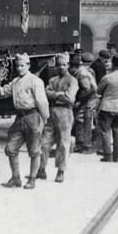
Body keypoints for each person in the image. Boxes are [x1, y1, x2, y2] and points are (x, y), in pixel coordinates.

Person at [0, 53, 48, 189]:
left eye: (22, 65)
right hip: (20, 118)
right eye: (17, 66)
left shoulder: (35, 81)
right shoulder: (15, 82)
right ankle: (16, 178)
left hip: (33, 116)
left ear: (28, 65)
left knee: (34, 150)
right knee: (11, 148)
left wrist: (44, 119)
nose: (20, 68)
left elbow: (42, 102)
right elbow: (3, 93)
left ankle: (32, 179)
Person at [37, 53, 77, 182]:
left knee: (63, 143)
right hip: (51, 112)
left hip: (65, 113)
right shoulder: (52, 80)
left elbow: (70, 98)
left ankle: (61, 171)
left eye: (64, 65)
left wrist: (54, 94)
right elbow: (45, 93)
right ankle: (41, 169)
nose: (61, 67)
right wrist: (60, 94)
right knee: (44, 142)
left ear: (68, 65)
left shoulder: (72, 80)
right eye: (59, 65)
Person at [95, 51, 118, 163]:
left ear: (113, 64)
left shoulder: (107, 77)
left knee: (105, 131)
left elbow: (99, 91)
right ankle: (116, 156)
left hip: (107, 107)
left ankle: (107, 155)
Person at [71, 52, 98, 154]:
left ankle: (85, 145)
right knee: (84, 120)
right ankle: (83, 143)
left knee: (83, 120)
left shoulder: (81, 73)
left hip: (88, 99)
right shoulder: (84, 71)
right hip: (89, 98)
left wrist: (79, 101)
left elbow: (88, 89)